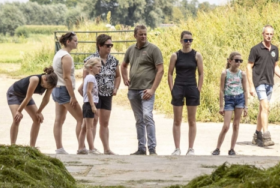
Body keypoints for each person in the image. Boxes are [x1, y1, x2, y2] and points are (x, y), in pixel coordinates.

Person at [121, 24, 164, 155]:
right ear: (135, 35)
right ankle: (141, 148)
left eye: (145, 34)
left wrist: (152, 89)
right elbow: (123, 65)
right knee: (139, 119)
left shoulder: (153, 49)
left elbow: (160, 70)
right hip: (133, 89)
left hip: (146, 90)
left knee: (147, 116)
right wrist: (125, 78)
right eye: (141, 34)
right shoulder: (130, 50)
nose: (144, 36)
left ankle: (152, 148)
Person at [247, 24, 280, 148]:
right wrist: (251, 86)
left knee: (263, 109)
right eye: (267, 34)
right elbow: (249, 66)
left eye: (271, 34)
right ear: (263, 34)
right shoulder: (256, 49)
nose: (269, 36)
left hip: (269, 82)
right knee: (265, 106)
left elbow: (275, 66)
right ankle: (266, 136)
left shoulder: (275, 50)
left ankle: (257, 134)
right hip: (259, 81)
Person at [167, 30, 205, 156]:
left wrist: (198, 89)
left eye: (190, 40)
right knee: (177, 120)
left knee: (192, 120)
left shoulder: (197, 55)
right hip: (178, 87)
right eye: (186, 40)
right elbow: (170, 73)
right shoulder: (175, 55)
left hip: (192, 87)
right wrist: (172, 89)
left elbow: (201, 73)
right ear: (181, 41)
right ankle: (177, 148)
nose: (188, 42)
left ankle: (191, 149)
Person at [213, 51, 253, 156]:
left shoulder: (242, 74)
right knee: (226, 126)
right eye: (236, 60)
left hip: (239, 99)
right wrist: (221, 105)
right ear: (230, 61)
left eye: (240, 61)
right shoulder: (225, 73)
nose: (238, 62)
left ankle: (232, 148)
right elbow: (221, 90)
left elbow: (245, 90)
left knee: (236, 124)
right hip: (229, 99)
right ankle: (217, 148)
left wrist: (246, 106)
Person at [86, 33, 120, 155]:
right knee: (94, 121)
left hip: (107, 95)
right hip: (95, 95)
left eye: (111, 45)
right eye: (107, 45)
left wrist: (116, 87)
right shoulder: (91, 60)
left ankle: (106, 148)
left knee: (105, 122)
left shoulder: (114, 60)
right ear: (99, 46)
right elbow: (86, 78)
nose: (109, 48)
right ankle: (92, 148)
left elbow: (117, 76)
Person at [51, 31, 85, 154]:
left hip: (56, 89)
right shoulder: (66, 57)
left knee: (58, 120)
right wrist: (73, 96)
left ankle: (59, 148)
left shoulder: (58, 54)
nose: (77, 43)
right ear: (68, 42)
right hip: (64, 90)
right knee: (81, 118)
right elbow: (66, 77)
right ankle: (81, 147)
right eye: (75, 41)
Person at [7, 68, 58, 147]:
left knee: (37, 119)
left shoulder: (50, 84)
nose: (46, 88)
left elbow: (46, 99)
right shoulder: (35, 80)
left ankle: (32, 147)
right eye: (46, 86)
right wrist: (19, 111)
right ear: (44, 78)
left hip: (26, 96)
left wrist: (39, 112)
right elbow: (28, 97)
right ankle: (13, 146)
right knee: (16, 118)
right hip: (14, 93)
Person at [79, 56, 101, 155]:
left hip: (88, 103)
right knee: (89, 128)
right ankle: (91, 148)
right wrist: (92, 105)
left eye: (100, 67)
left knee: (84, 127)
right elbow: (88, 91)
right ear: (91, 68)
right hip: (89, 104)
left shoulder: (89, 77)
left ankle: (80, 147)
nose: (99, 69)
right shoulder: (91, 77)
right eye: (97, 67)